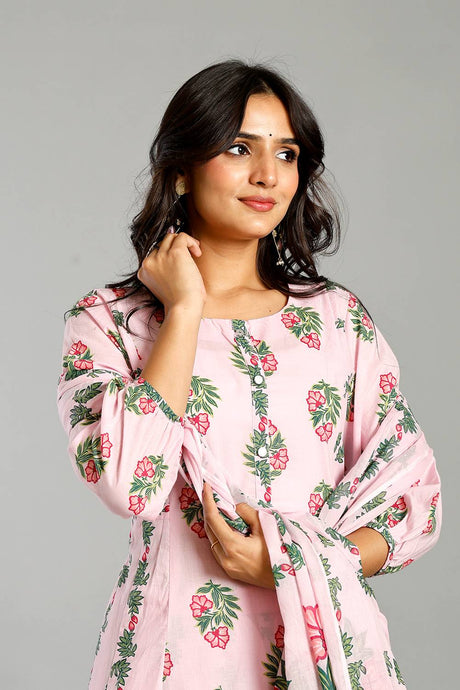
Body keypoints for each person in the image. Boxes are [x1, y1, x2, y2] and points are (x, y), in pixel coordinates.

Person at [56, 59, 442, 690]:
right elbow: (132, 485)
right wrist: (184, 310)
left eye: (286, 153)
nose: (268, 174)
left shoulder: (338, 323)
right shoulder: (109, 323)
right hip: (177, 655)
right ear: (181, 170)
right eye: (239, 148)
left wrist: (294, 565)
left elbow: (413, 502)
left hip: (327, 650)